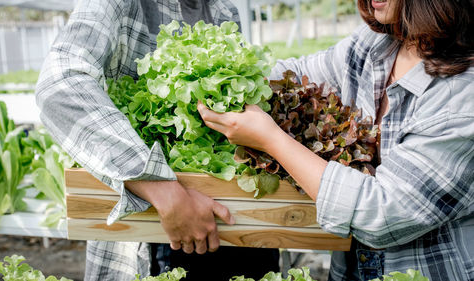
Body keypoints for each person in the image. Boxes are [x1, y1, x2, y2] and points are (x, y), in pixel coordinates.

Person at [198, 0, 474, 280]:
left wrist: (271, 140)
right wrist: (225, 78)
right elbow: (301, 73)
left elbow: (380, 213)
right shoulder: (381, 42)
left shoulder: (463, 94)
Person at [35, 0, 279, 280]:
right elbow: (59, 83)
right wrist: (164, 190)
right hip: (146, 237)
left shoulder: (224, 10)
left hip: (224, 225)